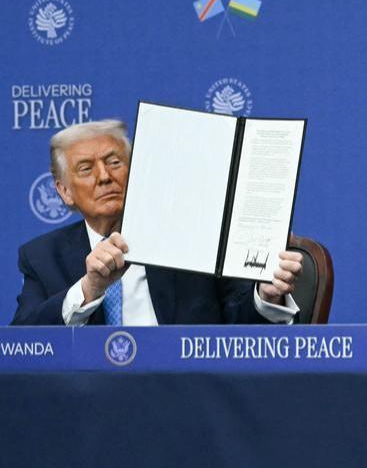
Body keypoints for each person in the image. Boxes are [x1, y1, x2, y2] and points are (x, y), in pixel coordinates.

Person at [11, 119, 303, 326]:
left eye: (114, 162)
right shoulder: (41, 257)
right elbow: (23, 343)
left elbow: (239, 327)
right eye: (86, 169)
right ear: (64, 191)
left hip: (186, 396)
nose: (104, 177)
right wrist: (88, 288)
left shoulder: (196, 237)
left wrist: (266, 296)